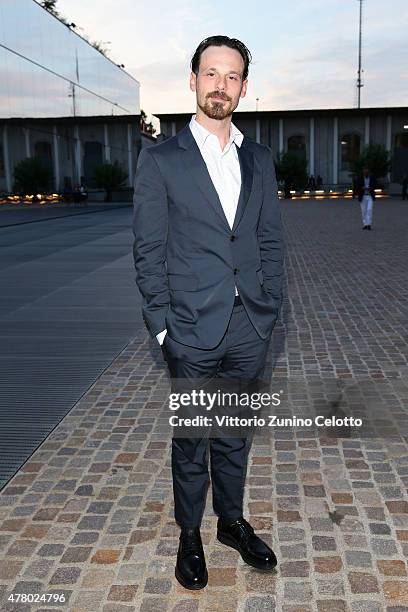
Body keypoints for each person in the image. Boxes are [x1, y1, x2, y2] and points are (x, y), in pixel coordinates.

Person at [132, 35, 284, 590]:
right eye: (211, 73)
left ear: (244, 86)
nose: (221, 85)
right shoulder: (161, 160)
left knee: (234, 433)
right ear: (193, 80)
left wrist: (270, 307)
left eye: (233, 76)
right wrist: (163, 326)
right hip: (191, 327)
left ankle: (231, 522)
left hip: (249, 325)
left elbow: (269, 242)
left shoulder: (260, 159)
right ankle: (190, 533)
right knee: (194, 437)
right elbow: (148, 251)